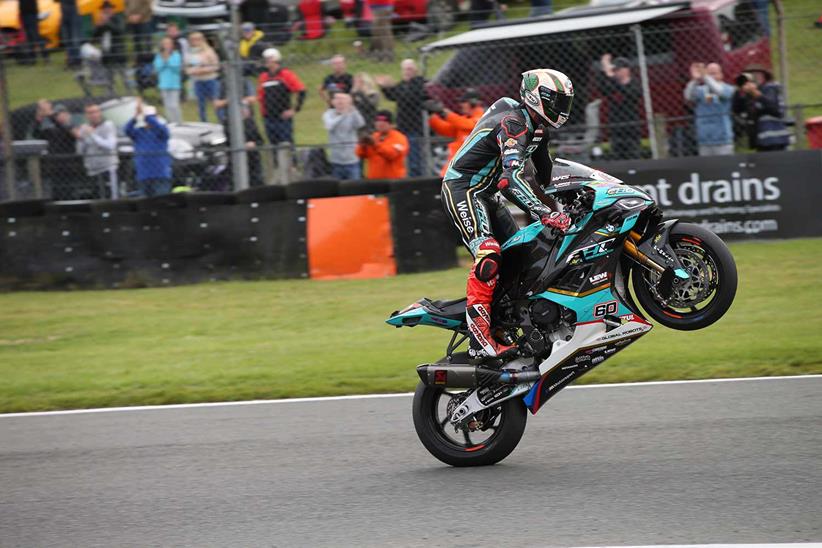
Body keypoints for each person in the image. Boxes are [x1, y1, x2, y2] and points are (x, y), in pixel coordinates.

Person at [441, 69, 574, 362]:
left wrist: (570, 201)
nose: (562, 109)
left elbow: (547, 179)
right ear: (535, 98)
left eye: (565, 102)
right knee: (488, 253)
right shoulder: (513, 123)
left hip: (488, 194)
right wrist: (543, 212)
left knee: (520, 254)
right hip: (463, 188)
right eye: (556, 101)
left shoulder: (539, 129)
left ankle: (505, 324)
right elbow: (512, 178)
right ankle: (479, 340)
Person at [375, 59, 429, 176]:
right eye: (405, 69)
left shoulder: (419, 82)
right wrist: (385, 87)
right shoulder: (403, 84)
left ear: (415, 70)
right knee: (406, 157)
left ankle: (417, 179)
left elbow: (409, 97)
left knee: (415, 159)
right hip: (403, 125)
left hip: (415, 125)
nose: (407, 72)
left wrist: (391, 87)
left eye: (409, 69)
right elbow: (393, 96)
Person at [428, 88, 485, 176]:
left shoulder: (483, 117)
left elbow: (469, 125)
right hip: (457, 164)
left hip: (473, 166)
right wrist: (432, 115)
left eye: (464, 101)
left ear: (474, 103)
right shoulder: (463, 119)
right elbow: (445, 129)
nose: (461, 104)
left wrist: (444, 112)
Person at [733, 66, 790, 152]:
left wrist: (756, 93)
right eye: (751, 75)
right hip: (760, 141)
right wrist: (739, 89)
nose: (755, 77)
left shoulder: (771, 87)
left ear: (764, 75)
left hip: (776, 139)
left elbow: (774, 108)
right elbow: (736, 109)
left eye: (757, 74)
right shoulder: (749, 95)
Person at [33, 103, 84, 199]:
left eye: (62, 113)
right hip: (55, 167)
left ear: (68, 115)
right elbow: (36, 134)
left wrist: (49, 114)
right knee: (56, 193)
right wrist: (38, 119)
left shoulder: (71, 127)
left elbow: (64, 127)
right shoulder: (52, 131)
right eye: (57, 114)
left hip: (69, 167)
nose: (60, 116)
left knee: (70, 193)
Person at [683, 62, 735, 156]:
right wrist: (695, 80)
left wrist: (706, 77)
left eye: (714, 73)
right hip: (704, 140)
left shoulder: (728, 89)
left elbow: (719, 91)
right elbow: (688, 96)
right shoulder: (701, 90)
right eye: (709, 73)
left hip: (722, 140)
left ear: (721, 74)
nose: (711, 77)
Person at [257, 48, 306, 145]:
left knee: (286, 144)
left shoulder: (286, 75)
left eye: (269, 58)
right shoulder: (263, 77)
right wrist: (264, 114)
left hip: (282, 118)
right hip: (269, 118)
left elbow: (301, 90)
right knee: (273, 145)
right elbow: (261, 97)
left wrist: (295, 109)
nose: (266, 61)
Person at [124, 99, 172, 197]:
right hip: (143, 174)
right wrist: (136, 116)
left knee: (161, 199)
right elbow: (127, 129)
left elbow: (159, 127)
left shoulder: (161, 132)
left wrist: (147, 115)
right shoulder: (138, 132)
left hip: (160, 173)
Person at [598, 54, 642, 160]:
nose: (615, 72)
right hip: (615, 125)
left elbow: (630, 94)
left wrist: (611, 77)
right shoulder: (611, 83)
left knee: (633, 155)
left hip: (631, 127)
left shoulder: (634, 83)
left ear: (626, 70)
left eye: (618, 69)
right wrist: (605, 70)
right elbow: (602, 88)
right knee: (617, 155)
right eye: (615, 70)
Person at [76, 103, 120, 198]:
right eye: (90, 113)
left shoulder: (108, 125)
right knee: (96, 198)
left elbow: (110, 145)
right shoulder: (84, 128)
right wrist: (82, 138)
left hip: (107, 168)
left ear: (99, 113)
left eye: (95, 112)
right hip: (92, 170)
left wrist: (93, 135)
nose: (93, 115)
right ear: (86, 115)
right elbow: (79, 151)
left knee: (111, 198)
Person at [323, 93, 366, 180]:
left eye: (343, 99)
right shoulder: (328, 114)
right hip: (336, 160)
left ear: (349, 102)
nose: (340, 101)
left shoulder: (353, 113)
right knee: (336, 189)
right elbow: (330, 125)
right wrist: (343, 115)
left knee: (354, 188)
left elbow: (361, 124)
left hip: (352, 160)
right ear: (332, 102)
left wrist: (353, 110)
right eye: (337, 99)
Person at [355, 110, 408, 179]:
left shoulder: (400, 138)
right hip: (374, 181)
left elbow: (391, 155)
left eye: (384, 122)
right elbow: (360, 154)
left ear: (391, 124)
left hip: (393, 182)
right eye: (378, 121)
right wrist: (362, 145)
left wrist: (375, 145)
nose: (380, 124)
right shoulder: (374, 136)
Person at [92, 1, 130, 93]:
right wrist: (98, 27)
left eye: (108, 9)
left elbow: (120, 31)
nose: (106, 11)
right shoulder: (101, 21)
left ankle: (129, 93)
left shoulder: (118, 18)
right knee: (109, 79)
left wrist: (107, 22)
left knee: (124, 77)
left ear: (112, 10)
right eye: (104, 10)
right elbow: (94, 38)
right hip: (107, 55)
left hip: (118, 53)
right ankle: (110, 95)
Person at [185, 32, 221, 122]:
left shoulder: (209, 51)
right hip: (198, 81)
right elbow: (186, 68)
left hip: (210, 80)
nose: (195, 41)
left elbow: (216, 66)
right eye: (192, 39)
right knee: (201, 105)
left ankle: (222, 122)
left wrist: (203, 70)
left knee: (216, 103)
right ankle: (204, 123)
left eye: (197, 39)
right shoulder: (189, 53)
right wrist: (192, 71)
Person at [154, 36, 183, 123]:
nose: (167, 45)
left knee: (174, 105)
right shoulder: (158, 56)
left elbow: (176, 68)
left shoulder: (176, 55)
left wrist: (167, 59)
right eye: (165, 44)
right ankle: (171, 122)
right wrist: (164, 60)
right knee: (167, 105)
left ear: (172, 45)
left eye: (169, 43)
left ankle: (178, 122)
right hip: (163, 84)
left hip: (174, 84)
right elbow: (158, 68)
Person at [59, 0, 83, 67]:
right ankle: (70, 61)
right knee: (67, 40)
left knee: (74, 39)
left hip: (73, 14)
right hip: (64, 15)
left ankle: (77, 61)